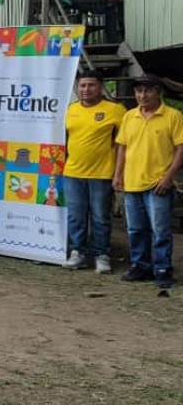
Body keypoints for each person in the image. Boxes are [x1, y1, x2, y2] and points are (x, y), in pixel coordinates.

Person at [113, 75, 183, 289]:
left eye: (147, 90)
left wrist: (169, 177)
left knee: (160, 231)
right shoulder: (129, 116)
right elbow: (122, 147)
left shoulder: (173, 116)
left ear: (158, 92)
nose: (142, 95)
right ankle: (140, 266)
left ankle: (162, 269)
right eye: (138, 91)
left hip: (158, 184)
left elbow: (181, 148)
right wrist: (118, 174)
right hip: (132, 182)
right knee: (135, 229)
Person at [63, 72, 127, 273]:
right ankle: (78, 253)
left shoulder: (115, 110)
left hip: (102, 173)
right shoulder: (70, 109)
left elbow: (126, 142)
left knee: (100, 217)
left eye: (91, 85)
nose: (86, 89)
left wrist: (120, 172)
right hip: (72, 172)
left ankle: (102, 255)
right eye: (82, 85)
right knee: (75, 217)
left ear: (100, 87)